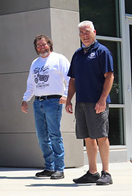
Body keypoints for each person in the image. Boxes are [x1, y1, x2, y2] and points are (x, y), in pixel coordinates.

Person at [66, 21, 114, 186]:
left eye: (87, 32)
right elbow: (72, 79)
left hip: (97, 102)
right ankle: (92, 172)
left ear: (94, 31)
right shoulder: (78, 54)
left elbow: (110, 76)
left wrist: (102, 99)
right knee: (87, 137)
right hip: (82, 102)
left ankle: (106, 172)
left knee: (101, 136)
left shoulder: (102, 52)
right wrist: (69, 99)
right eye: (81, 33)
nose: (85, 35)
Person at [21, 35, 70, 180]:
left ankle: (59, 169)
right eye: (38, 46)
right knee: (42, 136)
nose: (42, 47)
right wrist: (25, 99)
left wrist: (66, 96)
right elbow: (31, 84)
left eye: (44, 44)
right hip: (38, 102)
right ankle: (49, 167)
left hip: (54, 101)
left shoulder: (59, 59)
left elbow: (69, 79)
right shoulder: (35, 63)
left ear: (49, 44)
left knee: (54, 135)